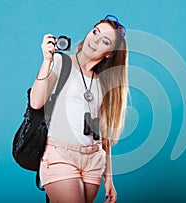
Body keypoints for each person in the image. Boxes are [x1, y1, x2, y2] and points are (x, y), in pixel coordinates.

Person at [29, 15, 128, 203]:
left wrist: (109, 177)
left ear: (110, 53)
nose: (95, 40)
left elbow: (103, 135)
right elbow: (36, 102)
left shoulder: (105, 82)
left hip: (93, 161)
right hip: (60, 155)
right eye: (95, 32)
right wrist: (46, 60)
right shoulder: (61, 62)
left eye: (105, 41)